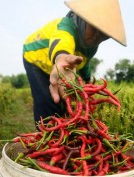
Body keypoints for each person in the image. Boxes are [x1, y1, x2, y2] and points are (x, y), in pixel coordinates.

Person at [22, 0, 126, 128]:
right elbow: (62, 41)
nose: (96, 37)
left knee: (64, 102)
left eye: (104, 35)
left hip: (58, 68)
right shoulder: (67, 25)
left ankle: (59, 138)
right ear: (83, 19)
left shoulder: (91, 47)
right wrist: (61, 56)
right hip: (35, 58)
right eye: (94, 29)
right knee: (46, 101)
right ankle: (44, 138)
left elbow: (84, 62)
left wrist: (87, 80)